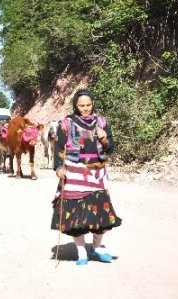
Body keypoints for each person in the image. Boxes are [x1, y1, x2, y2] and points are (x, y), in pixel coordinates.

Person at [51, 89, 122, 266]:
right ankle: (81, 251)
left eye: (88, 105)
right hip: (74, 174)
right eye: (81, 105)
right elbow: (59, 148)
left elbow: (110, 149)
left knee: (102, 214)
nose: (85, 108)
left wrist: (105, 140)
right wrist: (59, 167)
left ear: (93, 104)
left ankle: (97, 247)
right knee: (75, 217)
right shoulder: (66, 124)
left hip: (96, 174)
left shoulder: (102, 122)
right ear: (75, 105)